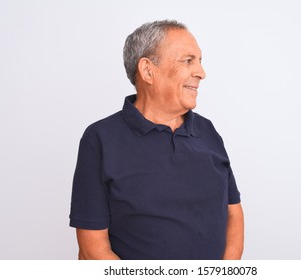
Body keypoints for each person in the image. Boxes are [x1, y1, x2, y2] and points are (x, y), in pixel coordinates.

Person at [69, 20, 244, 260]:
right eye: (188, 60)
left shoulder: (208, 131)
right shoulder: (100, 139)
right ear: (148, 70)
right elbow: (92, 248)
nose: (201, 73)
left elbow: (233, 212)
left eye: (200, 61)